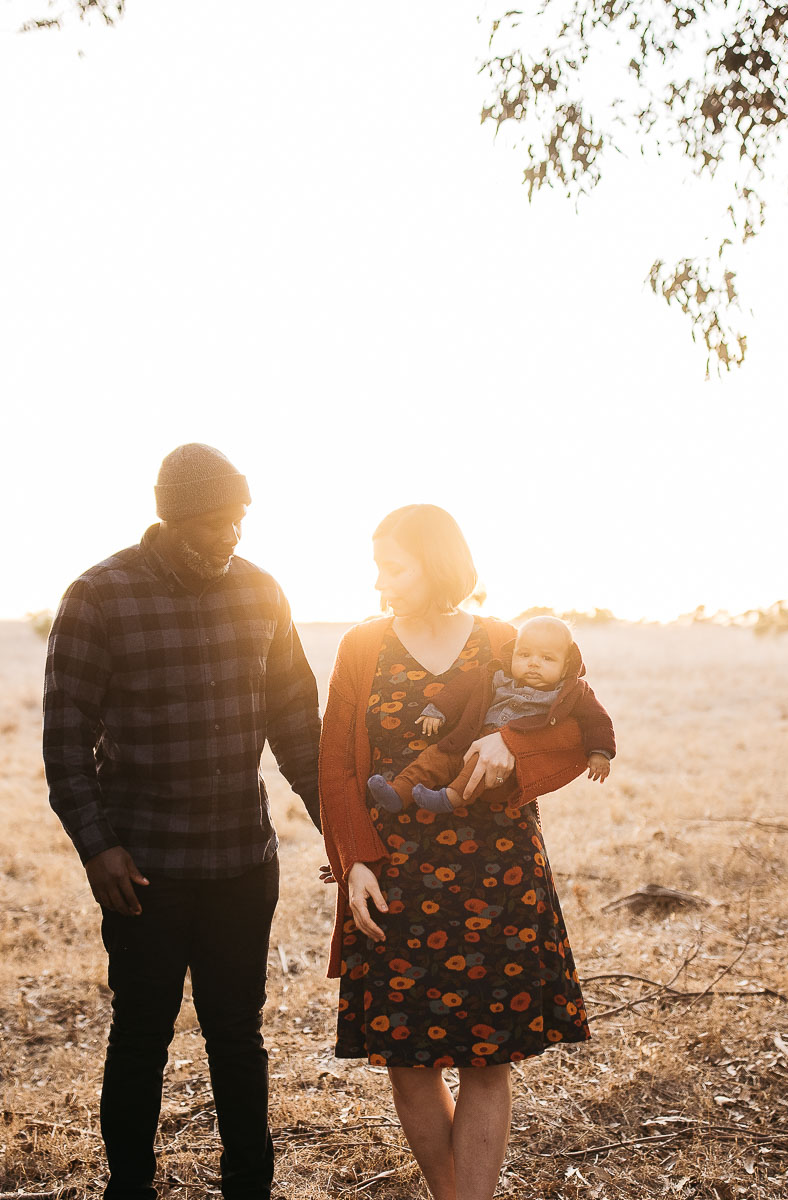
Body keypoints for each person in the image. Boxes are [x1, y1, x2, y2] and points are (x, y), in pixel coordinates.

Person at [42, 443, 322, 1200]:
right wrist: (96, 846)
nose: (229, 536)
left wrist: (339, 823)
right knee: (141, 1036)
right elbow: (64, 738)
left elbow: (297, 721)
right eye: (212, 523)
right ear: (170, 517)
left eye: (237, 521)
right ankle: (128, 1188)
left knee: (238, 1034)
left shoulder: (263, 592)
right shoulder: (99, 596)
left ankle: (249, 1188)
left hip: (241, 861)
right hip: (143, 869)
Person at [318, 504, 592, 1200]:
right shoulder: (363, 645)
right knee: (407, 1063)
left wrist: (513, 742)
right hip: (395, 877)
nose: (381, 579)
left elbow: (577, 722)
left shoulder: (505, 639)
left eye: (394, 564)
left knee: (486, 1061)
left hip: (496, 874)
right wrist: (354, 862)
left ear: (435, 563)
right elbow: (336, 768)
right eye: (377, 564)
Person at [366, 614, 616, 814]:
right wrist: (437, 710)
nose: (533, 663)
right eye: (525, 654)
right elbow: (460, 689)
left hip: (505, 769)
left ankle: (450, 799)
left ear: (566, 667)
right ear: (513, 653)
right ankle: (399, 792)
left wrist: (600, 752)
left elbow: (597, 721)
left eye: (547, 658)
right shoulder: (497, 675)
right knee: (434, 757)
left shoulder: (573, 692)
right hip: (468, 740)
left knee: (476, 766)